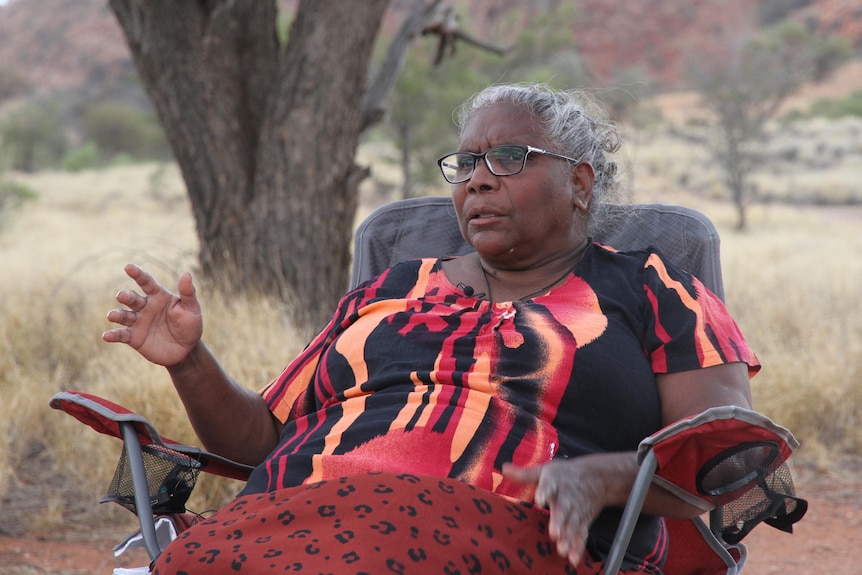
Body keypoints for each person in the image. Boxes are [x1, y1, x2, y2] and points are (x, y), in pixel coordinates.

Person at [103, 83, 758, 575]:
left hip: (503, 530)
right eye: (466, 162)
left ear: (580, 182)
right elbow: (257, 443)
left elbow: (728, 448)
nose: (477, 179)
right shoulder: (390, 287)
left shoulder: (652, 287)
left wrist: (604, 477)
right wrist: (189, 360)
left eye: (507, 157)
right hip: (291, 517)